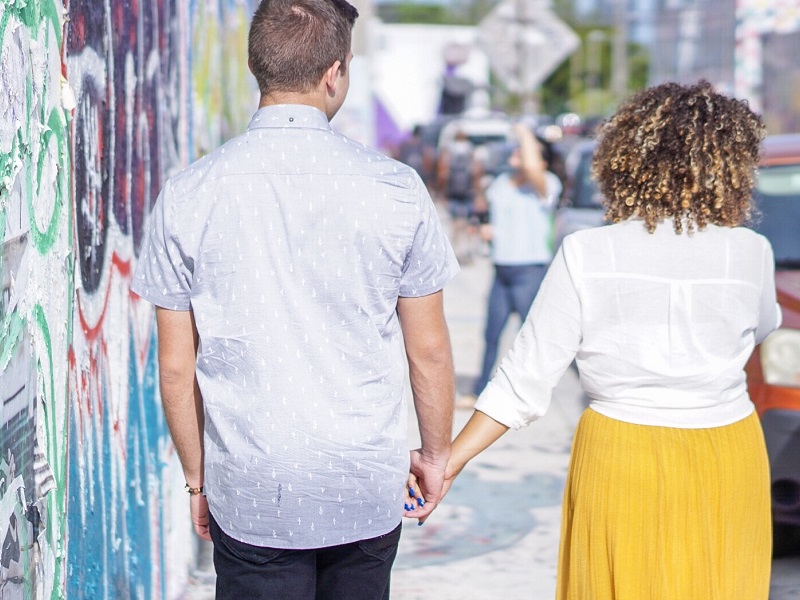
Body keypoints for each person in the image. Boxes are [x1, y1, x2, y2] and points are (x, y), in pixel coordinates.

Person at [131, 1, 459, 598]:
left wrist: (198, 482)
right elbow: (429, 350)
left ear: (258, 67)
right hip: (362, 483)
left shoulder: (188, 194)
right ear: (334, 72)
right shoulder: (397, 188)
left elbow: (176, 368)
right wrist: (436, 455)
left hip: (252, 486)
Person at [436, 81, 781, 599]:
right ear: (730, 166)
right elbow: (762, 326)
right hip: (726, 449)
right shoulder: (751, 251)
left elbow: (523, 381)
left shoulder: (588, 251)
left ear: (624, 159)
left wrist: (449, 462)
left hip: (623, 449)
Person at [457, 123, 562, 409]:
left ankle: (533, 392)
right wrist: (486, 230)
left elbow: (531, 166)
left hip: (530, 270)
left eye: (525, 152)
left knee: (531, 336)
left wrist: (525, 132)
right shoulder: (501, 183)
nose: (517, 152)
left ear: (540, 161)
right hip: (501, 269)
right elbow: (487, 213)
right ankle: (479, 390)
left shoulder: (546, 184)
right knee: (491, 334)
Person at [437, 129, 479, 262]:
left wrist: (442, 193)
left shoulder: (449, 149)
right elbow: (476, 171)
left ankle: (454, 251)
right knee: (467, 221)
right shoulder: (470, 149)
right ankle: (466, 250)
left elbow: (443, 173)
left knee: (455, 221)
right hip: (468, 190)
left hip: (453, 190)